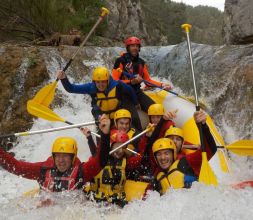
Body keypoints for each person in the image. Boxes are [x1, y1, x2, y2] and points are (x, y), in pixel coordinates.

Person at [0, 115, 111, 192]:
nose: (61, 160)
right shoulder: (42, 170)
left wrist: (105, 135)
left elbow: (100, 161)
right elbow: (16, 167)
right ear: (53, 156)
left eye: (65, 156)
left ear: (73, 157)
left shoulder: (82, 172)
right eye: (57, 156)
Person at [148, 110, 217, 194]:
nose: (163, 157)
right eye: (159, 154)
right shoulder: (158, 173)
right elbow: (151, 147)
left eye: (166, 153)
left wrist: (202, 125)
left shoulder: (187, 161)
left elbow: (211, 149)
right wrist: (162, 120)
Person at [57, 66, 142, 131]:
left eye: (103, 82)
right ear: (94, 81)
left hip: (118, 114)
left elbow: (130, 90)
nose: (100, 85)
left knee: (134, 118)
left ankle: (140, 136)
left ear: (108, 81)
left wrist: (136, 103)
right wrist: (64, 78)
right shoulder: (91, 87)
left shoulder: (118, 85)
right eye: (98, 82)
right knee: (101, 132)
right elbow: (71, 88)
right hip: (102, 116)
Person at [84, 129, 142, 207]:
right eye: (118, 146)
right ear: (111, 146)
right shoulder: (99, 160)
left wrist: (148, 137)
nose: (120, 150)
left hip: (117, 202)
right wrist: (89, 138)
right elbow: (95, 152)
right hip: (96, 200)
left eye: (123, 147)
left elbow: (143, 158)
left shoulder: (126, 162)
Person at [112, 36, 171, 113]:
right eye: (132, 46)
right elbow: (114, 82)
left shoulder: (141, 62)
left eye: (137, 46)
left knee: (155, 110)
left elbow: (148, 81)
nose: (135, 48)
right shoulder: (120, 61)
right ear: (128, 48)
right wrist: (131, 82)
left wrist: (162, 85)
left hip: (137, 92)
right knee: (134, 118)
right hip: (123, 94)